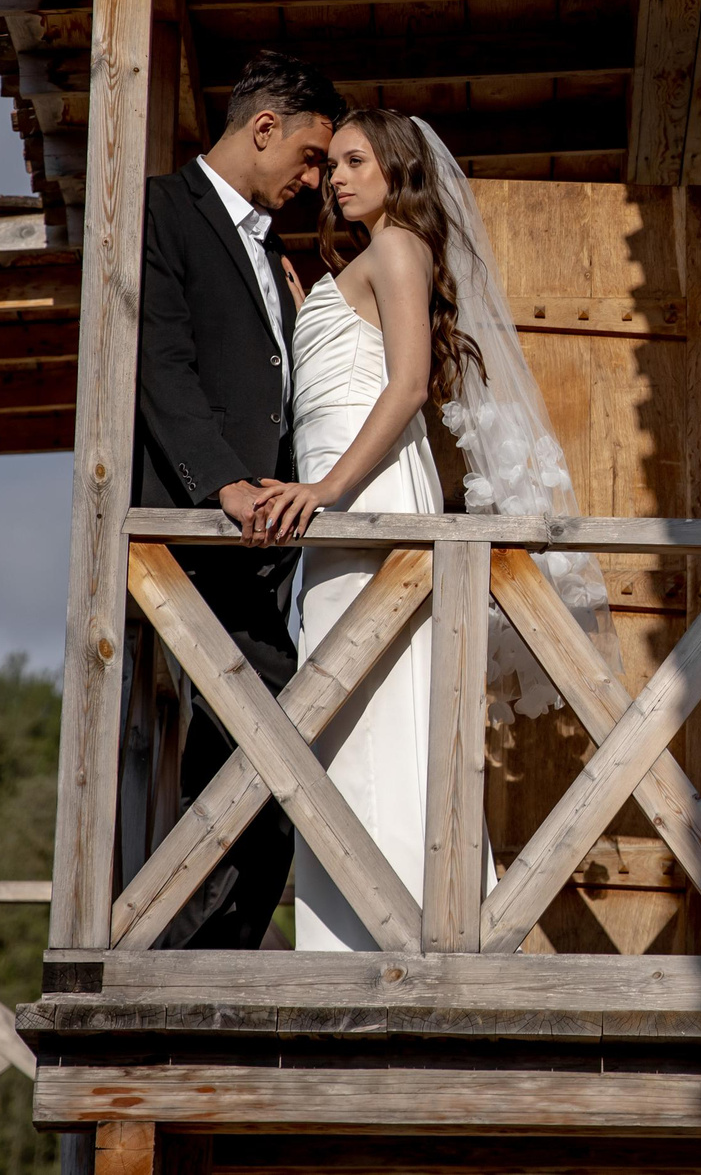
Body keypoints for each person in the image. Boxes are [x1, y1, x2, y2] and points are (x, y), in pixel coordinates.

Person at [251, 109, 614, 952]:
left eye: (354, 160)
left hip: (366, 500)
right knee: (341, 713)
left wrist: (328, 489)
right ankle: (349, 932)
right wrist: (314, 314)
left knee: (384, 704)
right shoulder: (360, 261)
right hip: (332, 522)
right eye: (332, 163)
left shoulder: (402, 247)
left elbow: (409, 385)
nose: (335, 177)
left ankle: (409, 932)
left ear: (398, 169)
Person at [131, 49, 343, 948]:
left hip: (269, 547)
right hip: (204, 532)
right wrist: (223, 485)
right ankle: (198, 953)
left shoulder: (273, 251)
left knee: (262, 742)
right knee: (264, 738)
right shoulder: (156, 211)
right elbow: (161, 361)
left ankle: (213, 949)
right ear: (264, 129)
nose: (315, 179)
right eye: (309, 156)